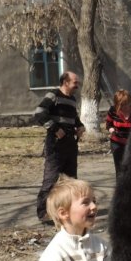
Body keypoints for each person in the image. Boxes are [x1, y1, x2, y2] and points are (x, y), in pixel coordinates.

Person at [35, 72, 85, 224]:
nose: (77, 85)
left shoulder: (72, 99)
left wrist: (80, 126)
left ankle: (69, 210)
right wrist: (55, 128)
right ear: (65, 82)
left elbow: (73, 118)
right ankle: (44, 213)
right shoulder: (53, 95)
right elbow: (39, 114)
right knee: (51, 180)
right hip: (55, 145)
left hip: (70, 144)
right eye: (75, 82)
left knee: (71, 180)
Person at [105, 89, 131, 175]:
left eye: (127, 104)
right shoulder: (113, 110)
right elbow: (108, 124)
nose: (126, 107)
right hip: (117, 142)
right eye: (122, 105)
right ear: (117, 104)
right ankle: (121, 187)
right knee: (120, 169)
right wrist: (111, 129)